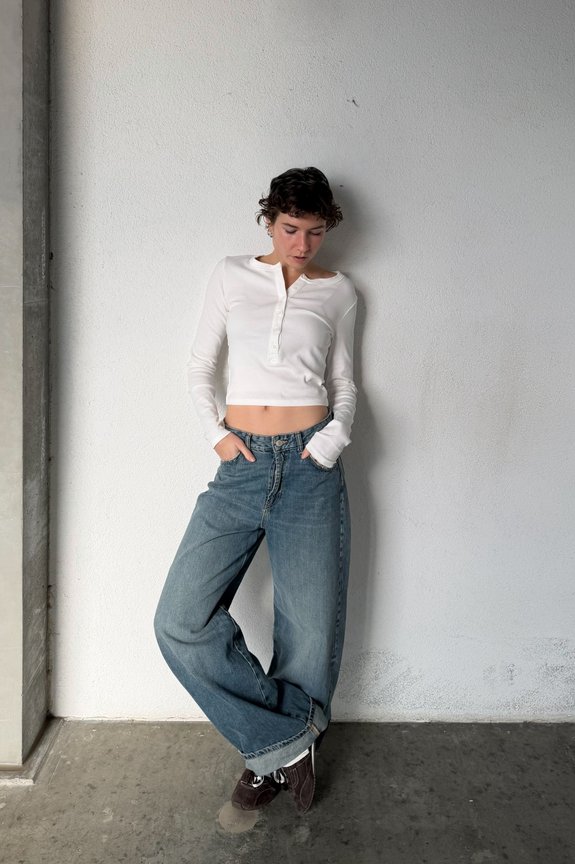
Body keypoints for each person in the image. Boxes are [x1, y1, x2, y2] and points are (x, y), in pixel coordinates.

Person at [154, 167, 357, 814]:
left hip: (311, 465)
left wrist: (331, 440)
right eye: (291, 229)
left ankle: (268, 762)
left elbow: (346, 383)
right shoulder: (229, 275)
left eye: (315, 232)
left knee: (308, 629)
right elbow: (198, 365)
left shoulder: (340, 292)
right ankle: (286, 741)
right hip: (241, 464)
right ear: (269, 221)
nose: (302, 244)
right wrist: (216, 433)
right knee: (180, 620)